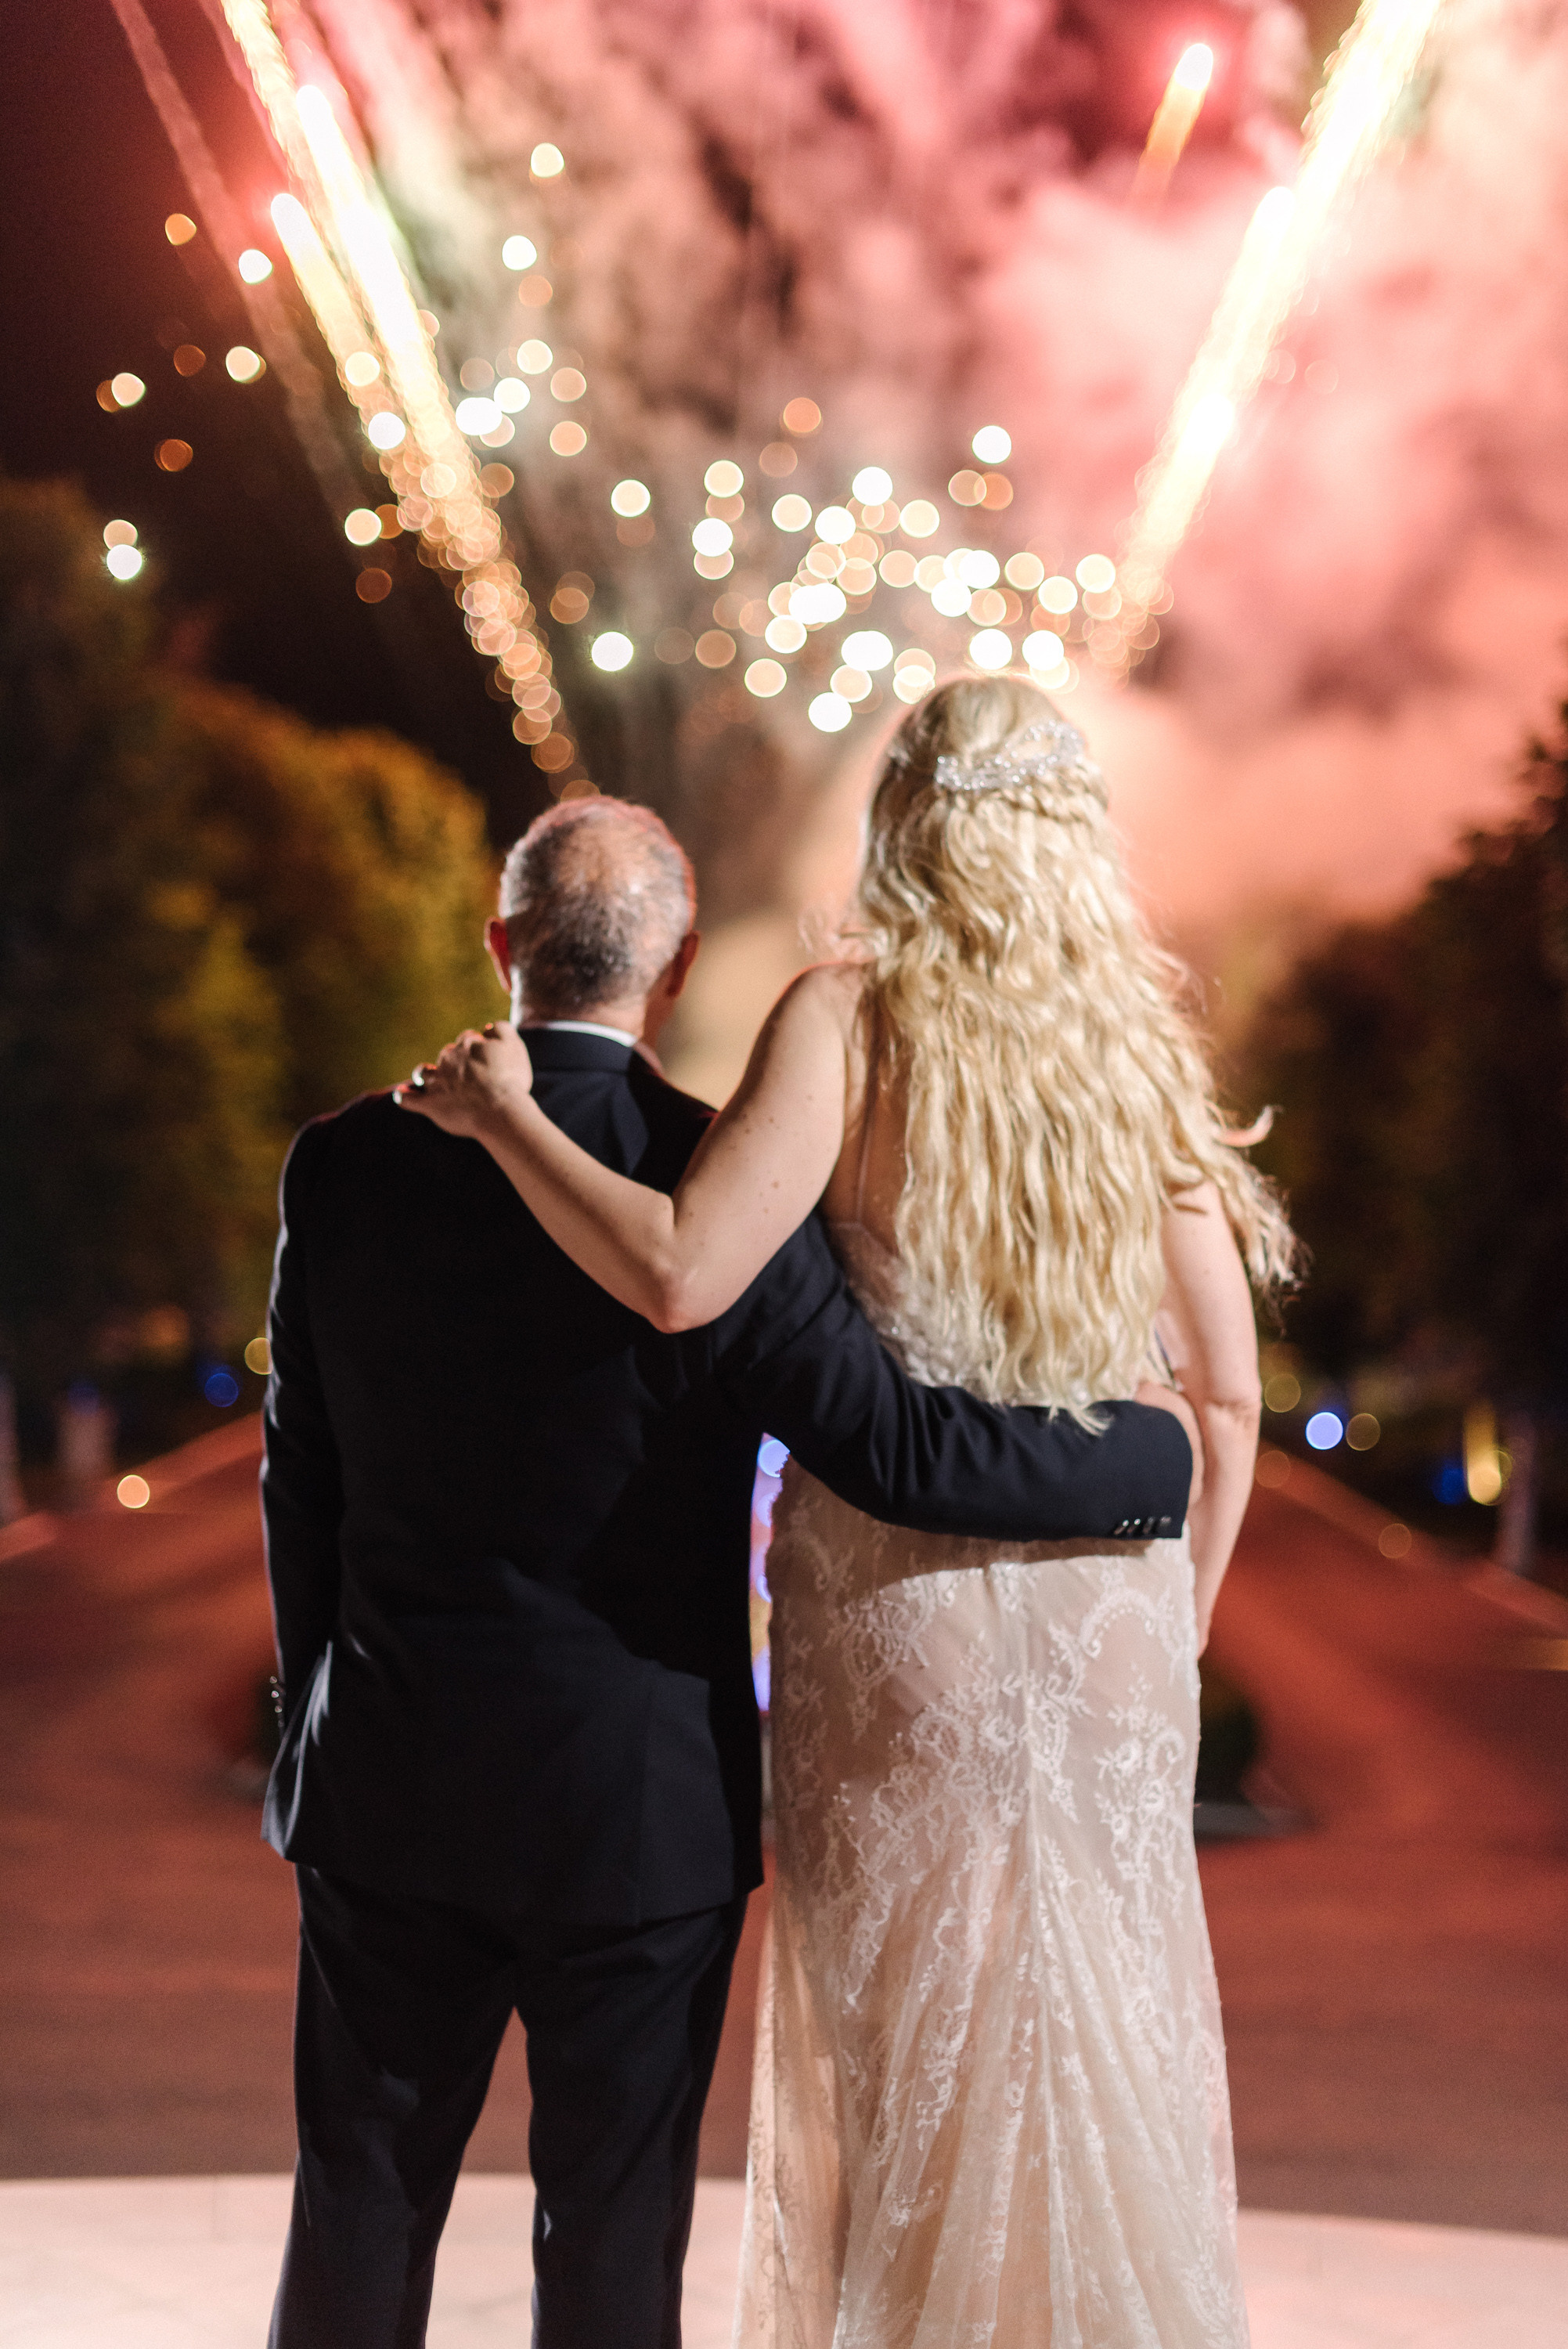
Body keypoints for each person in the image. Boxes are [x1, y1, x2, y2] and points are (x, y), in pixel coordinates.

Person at [400, 679, 1296, 2347]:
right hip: (1110, 1620)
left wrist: (509, 1116)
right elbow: (1226, 1404)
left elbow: (682, 1277)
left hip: (901, 1619)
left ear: (903, 823)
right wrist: (1178, 1637)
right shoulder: (1135, 1054)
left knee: (910, 2063)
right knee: (1103, 2055)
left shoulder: (846, 1016)